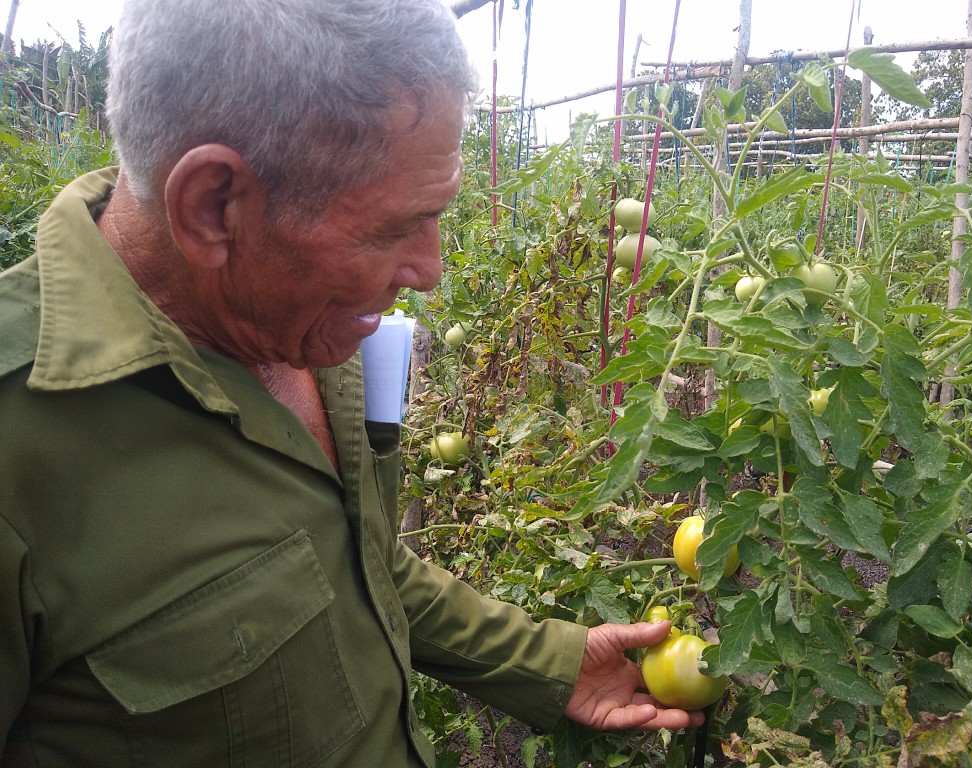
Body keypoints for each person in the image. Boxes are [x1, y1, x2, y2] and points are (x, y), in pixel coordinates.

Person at [0, 0, 703, 764]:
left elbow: (355, 559)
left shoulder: (304, 325)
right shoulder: (22, 449)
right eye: (394, 229)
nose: (430, 272)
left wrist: (547, 663)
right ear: (214, 206)